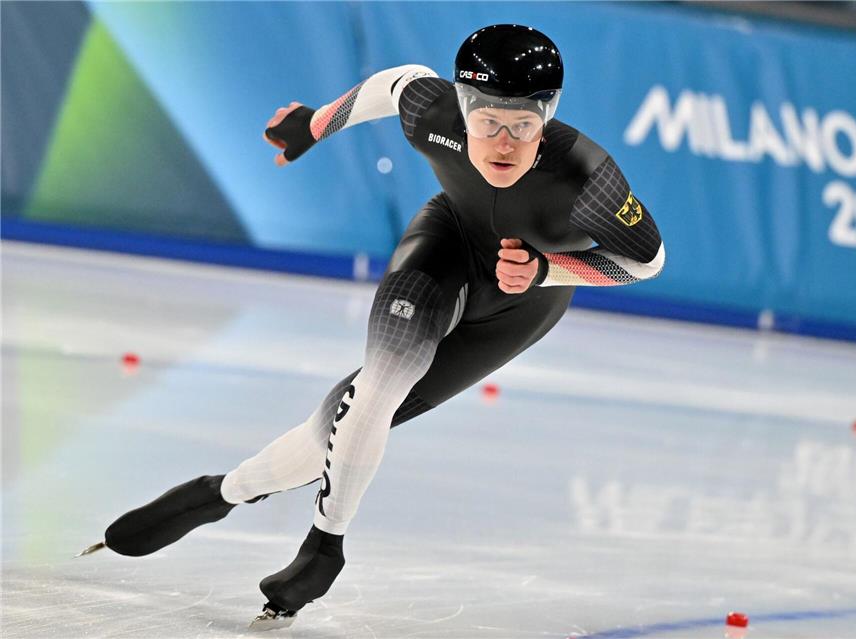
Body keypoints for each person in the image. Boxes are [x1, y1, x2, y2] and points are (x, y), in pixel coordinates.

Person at [85, 24, 665, 628]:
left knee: (334, 420)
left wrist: (548, 269)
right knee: (376, 390)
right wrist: (313, 126)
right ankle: (324, 547)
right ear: (462, 104)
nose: (502, 140)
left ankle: (223, 492)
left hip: (524, 300)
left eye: (523, 123)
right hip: (447, 244)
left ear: (549, 114)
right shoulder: (432, 112)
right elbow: (393, 86)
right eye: (487, 119)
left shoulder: (588, 178)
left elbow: (645, 261)